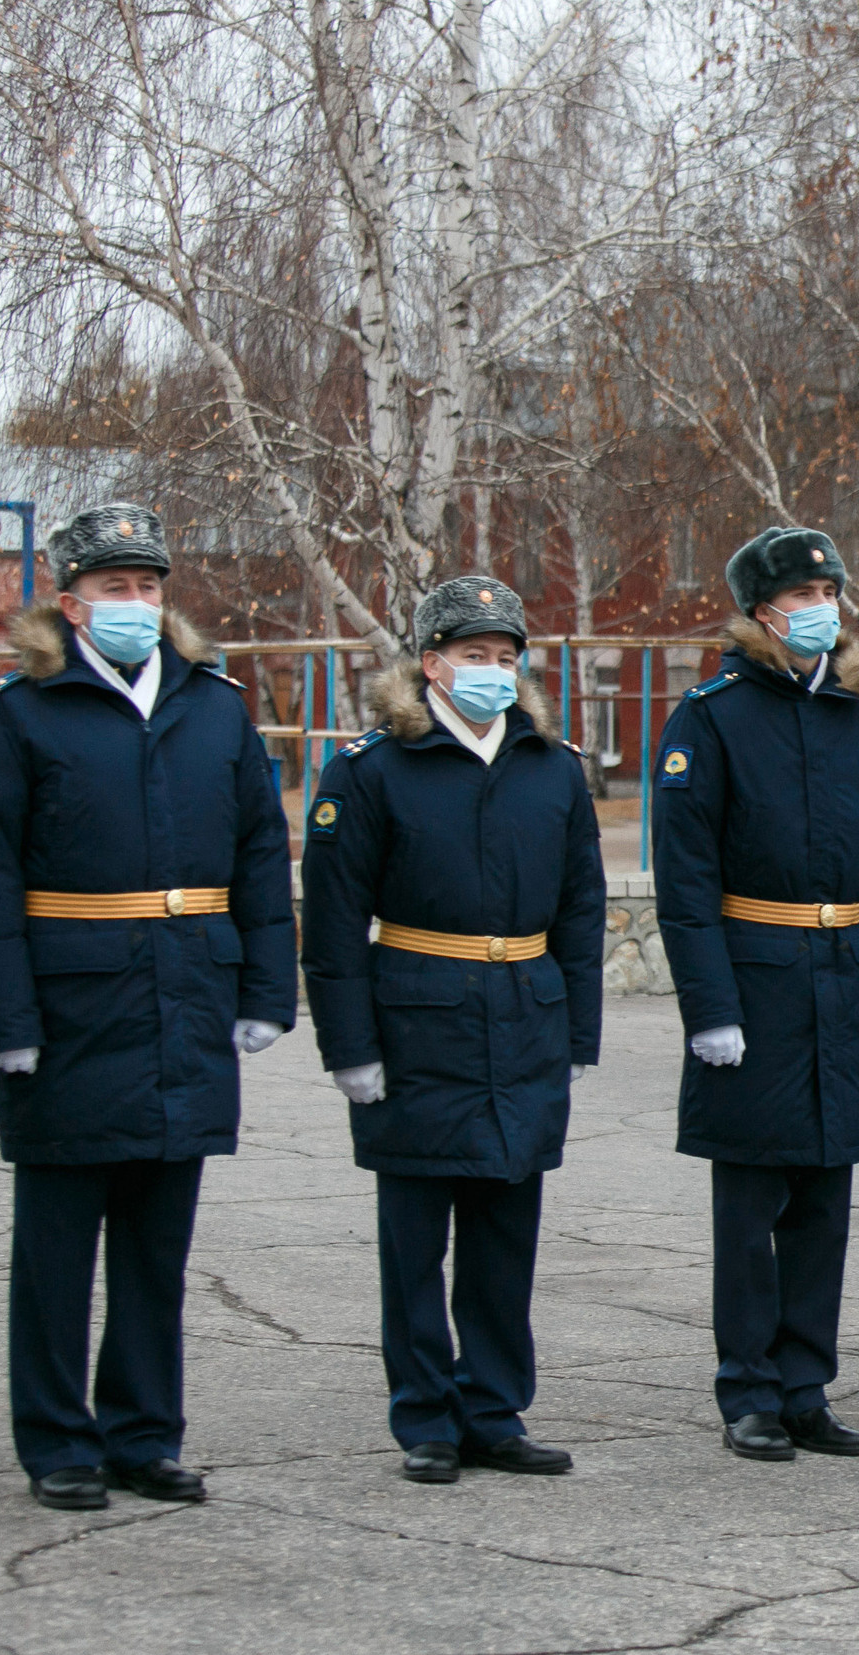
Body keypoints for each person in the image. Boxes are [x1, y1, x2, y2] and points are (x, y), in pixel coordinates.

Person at [0, 504, 294, 1512]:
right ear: (71, 603)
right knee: (55, 1251)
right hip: (72, 1011)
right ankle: (57, 1442)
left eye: (149, 586)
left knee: (157, 1248)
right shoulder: (23, 714)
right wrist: (9, 1019)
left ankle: (143, 1434)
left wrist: (266, 990)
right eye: (115, 587)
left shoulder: (213, 706)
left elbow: (260, 852)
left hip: (186, 997)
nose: (136, 602)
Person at [301, 576, 605, 1483]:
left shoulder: (551, 767)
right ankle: (426, 1415)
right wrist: (350, 1047)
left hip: (524, 1016)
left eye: (506, 656)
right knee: (415, 1242)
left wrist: (578, 1033)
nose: (493, 671)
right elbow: (332, 925)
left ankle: (494, 1409)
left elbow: (582, 908)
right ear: (431, 664)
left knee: (505, 1235)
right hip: (418, 1022)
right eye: (475, 654)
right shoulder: (372, 769)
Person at [650, 527, 859, 1464]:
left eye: (830, 591)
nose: (823, 608)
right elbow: (686, 882)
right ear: (762, 611)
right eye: (804, 595)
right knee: (751, 1207)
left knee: (823, 1205)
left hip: (843, 976)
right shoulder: (713, 716)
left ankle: (806, 1387)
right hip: (756, 980)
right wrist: (711, 1009)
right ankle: (749, 1391)